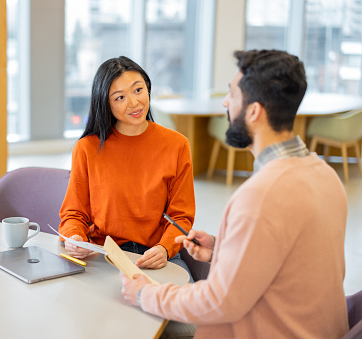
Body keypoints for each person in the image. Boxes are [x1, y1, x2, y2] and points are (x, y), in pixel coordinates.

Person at [120, 49, 349, 338]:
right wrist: (222, 249)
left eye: (232, 95)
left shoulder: (261, 195)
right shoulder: (325, 174)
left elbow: (219, 301)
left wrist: (145, 294)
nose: (226, 103)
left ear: (253, 111)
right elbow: (295, 260)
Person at [59, 56, 196, 273]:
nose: (133, 103)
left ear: (148, 89)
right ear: (105, 102)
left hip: (157, 254)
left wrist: (165, 248)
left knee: (183, 303)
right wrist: (75, 237)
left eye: (138, 90)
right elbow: (74, 213)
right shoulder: (86, 148)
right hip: (103, 254)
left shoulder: (177, 145)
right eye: (120, 97)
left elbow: (181, 216)